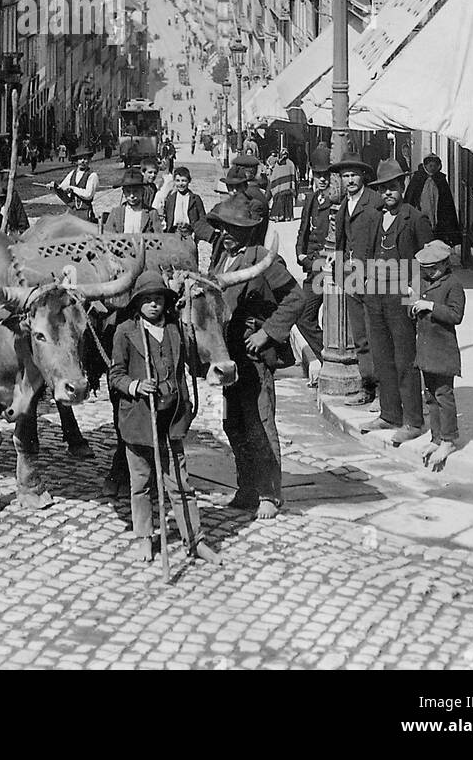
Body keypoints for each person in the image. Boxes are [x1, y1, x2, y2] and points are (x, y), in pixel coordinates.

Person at [108, 271, 220, 565]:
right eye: (147, 300)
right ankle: (145, 537)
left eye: (159, 299)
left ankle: (195, 540)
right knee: (142, 482)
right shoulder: (125, 332)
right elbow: (115, 374)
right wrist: (135, 386)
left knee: (180, 482)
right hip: (139, 421)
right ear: (137, 304)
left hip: (171, 420)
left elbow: (190, 365)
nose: (154, 305)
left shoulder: (175, 330)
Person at [207, 192, 304, 520]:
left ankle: (269, 494)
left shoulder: (263, 257)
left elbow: (295, 298)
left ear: (248, 230)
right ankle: (247, 487)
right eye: (221, 227)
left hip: (254, 354)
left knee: (259, 422)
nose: (224, 234)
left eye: (232, 229)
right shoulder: (222, 258)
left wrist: (267, 333)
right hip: (228, 353)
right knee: (233, 423)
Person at [361, 159, 434, 443]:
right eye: (383, 189)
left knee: (405, 359)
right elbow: (367, 253)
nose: (388, 193)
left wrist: (417, 293)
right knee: (382, 357)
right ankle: (390, 414)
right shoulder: (375, 218)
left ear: (402, 187)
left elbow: (428, 260)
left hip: (401, 296)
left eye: (393, 187)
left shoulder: (415, 219)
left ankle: (414, 421)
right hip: (375, 296)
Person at [332, 148, 382, 407]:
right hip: (351, 276)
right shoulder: (344, 204)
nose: (350, 180)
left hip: (373, 276)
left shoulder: (375, 201)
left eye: (354, 175)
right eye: (346, 176)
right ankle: (368, 387)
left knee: (377, 334)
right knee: (360, 335)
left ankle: (386, 393)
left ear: (363, 176)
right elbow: (342, 240)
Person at [411, 240, 466, 470]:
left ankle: (449, 439)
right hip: (426, 348)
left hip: (443, 349)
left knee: (444, 394)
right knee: (430, 395)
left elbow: (456, 315)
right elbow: (413, 304)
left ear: (445, 265)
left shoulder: (453, 285)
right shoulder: (425, 281)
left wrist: (430, 306)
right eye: (425, 269)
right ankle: (436, 438)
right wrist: (413, 305)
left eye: (432, 268)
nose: (428, 273)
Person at [294, 144, 333, 380]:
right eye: (318, 175)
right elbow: (303, 229)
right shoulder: (311, 198)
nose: (322, 179)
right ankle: (325, 358)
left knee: (329, 317)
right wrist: (300, 253)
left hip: (327, 267)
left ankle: (330, 361)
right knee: (303, 315)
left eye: (326, 175)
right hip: (312, 266)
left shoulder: (336, 201)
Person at [405, 154, 461, 248]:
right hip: (421, 212)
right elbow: (410, 196)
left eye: (435, 166)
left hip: (437, 215)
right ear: (425, 166)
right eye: (430, 165)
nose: (432, 168)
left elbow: (448, 203)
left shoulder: (441, 180)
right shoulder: (418, 178)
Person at [104, 168, 161, 234]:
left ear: (142, 191)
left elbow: (159, 237)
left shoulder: (152, 214)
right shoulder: (116, 212)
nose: (132, 196)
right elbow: (107, 236)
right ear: (123, 192)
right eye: (128, 191)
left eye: (135, 191)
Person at [51, 148, 99, 222]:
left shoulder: (92, 175)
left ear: (89, 160)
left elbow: (88, 195)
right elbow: (63, 187)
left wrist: (73, 188)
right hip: (71, 212)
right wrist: (54, 187)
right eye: (80, 159)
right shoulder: (72, 173)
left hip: (84, 212)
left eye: (85, 159)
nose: (82, 161)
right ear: (76, 161)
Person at [161, 166, 209, 241]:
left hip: (189, 233)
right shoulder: (170, 198)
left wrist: (197, 233)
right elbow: (166, 216)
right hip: (174, 232)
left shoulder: (195, 199)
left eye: (183, 181)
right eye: (178, 180)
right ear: (174, 181)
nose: (180, 184)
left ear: (189, 181)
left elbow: (202, 218)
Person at [268, 148, 298, 221]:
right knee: (287, 202)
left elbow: (273, 178)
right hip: (288, 189)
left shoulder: (278, 164)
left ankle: (278, 216)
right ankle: (288, 216)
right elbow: (295, 177)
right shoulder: (291, 163)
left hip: (279, 190)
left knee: (279, 202)